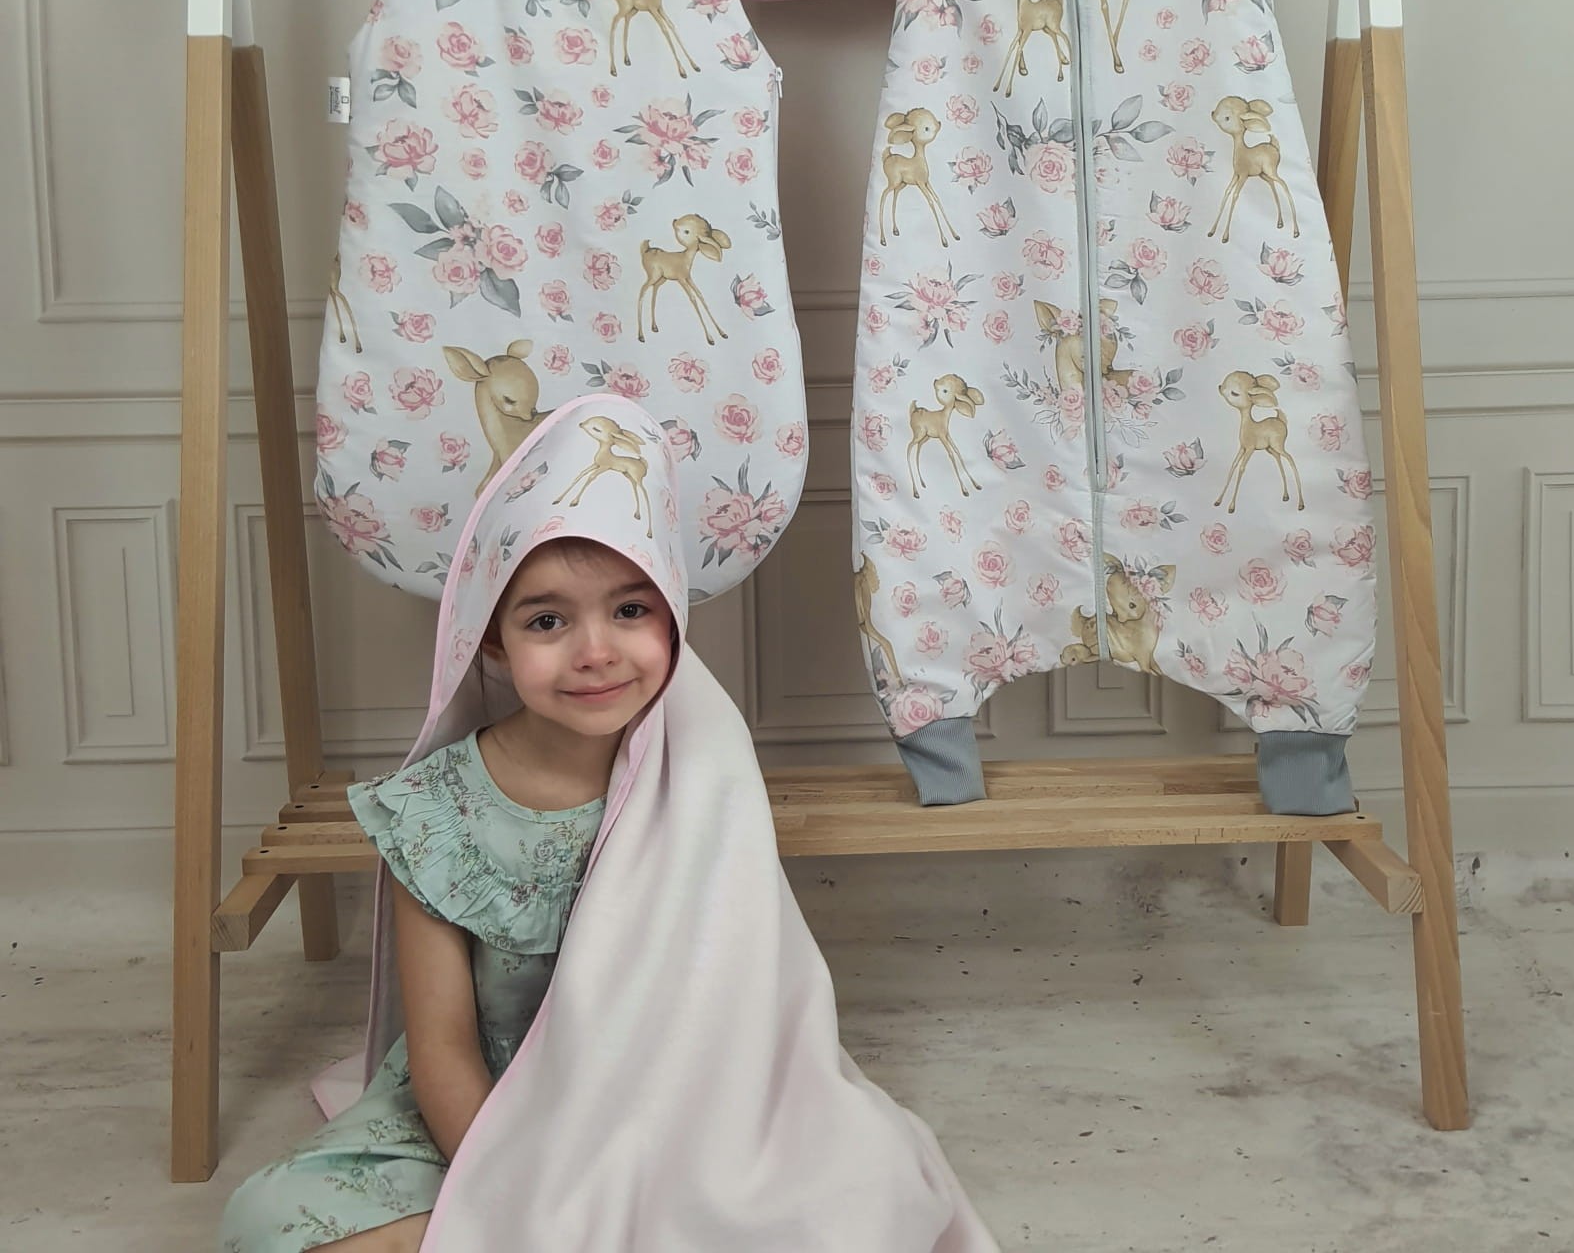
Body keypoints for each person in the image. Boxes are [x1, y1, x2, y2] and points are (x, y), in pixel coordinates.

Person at [221, 394, 996, 1252]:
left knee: (850, 1196)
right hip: (485, 1111)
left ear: (671, 615)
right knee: (271, 1221)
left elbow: (745, 1003)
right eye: (547, 621)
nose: (595, 652)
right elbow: (441, 1052)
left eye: (631, 611)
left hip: (668, 1107)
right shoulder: (436, 812)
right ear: (492, 640)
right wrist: (516, 1205)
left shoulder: (702, 777)